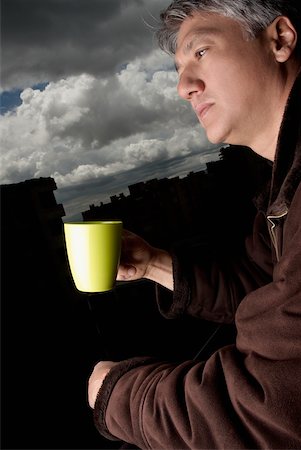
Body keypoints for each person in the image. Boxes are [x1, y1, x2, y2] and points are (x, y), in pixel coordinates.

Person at [88, 0, 301, 448]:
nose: (184, 86)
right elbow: (264, 286)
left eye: (200, 52)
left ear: (278, 39)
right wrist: (153, 264)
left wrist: (117, 392)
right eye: (178, 69)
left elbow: (268, 409)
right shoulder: (286, 183)